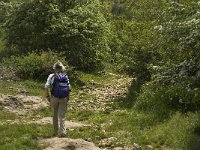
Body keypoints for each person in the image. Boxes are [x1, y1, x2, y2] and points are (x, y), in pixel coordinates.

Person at [45, 61, 70, 137]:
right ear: (62, 68)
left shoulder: (52, 76)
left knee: (54, 115)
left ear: (54, 68)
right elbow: (69, 88)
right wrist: (67, 97)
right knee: (62, 116)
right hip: (64, 98)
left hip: (54, 97)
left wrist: (48, 96)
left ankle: (55, 132)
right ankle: (63, 132)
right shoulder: (65, 76)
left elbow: (46, 86)